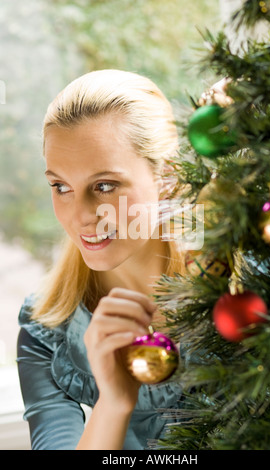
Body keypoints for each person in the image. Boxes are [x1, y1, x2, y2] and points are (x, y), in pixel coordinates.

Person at [17, 69, 187, 450]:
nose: (79, 216)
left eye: (104, 186)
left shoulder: (242, 296)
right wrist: (113, 405)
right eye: (60, 187)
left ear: (169, 177)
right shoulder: (46, 325)